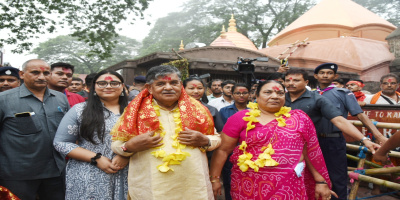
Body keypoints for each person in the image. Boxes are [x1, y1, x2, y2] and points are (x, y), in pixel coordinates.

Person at [210, 80, 335, 200]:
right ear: (256, 96)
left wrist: (321, 181)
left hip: (289, 184)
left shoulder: (299, 119)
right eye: (268, 92)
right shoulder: (240, 118)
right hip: (249, 184)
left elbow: (310, 153)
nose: (275, 96)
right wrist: (215, 179)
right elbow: (223, 151)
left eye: (280, 93)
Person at [110, 65, 221, 200]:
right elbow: (116, 145)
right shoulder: (134, 112)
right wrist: (129, 147)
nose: (168, 87)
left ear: (180, 85)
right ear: (149, 88)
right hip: (151, 189)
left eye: (173, 83)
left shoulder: (198, 110)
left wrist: (205, 141)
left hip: (193, 187)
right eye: (161, 84)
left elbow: (216, 139)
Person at [284, 69, 383, 199]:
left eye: (296, 80)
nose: (291, 83)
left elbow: (339, 120)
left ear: (306, 82)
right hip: (287, 149)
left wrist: (365, 139)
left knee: (334, 179)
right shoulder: (279, 98)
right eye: (287, 80)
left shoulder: (317, 99)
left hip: (317, 145)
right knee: (295, 180)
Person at [54, 70, 129, 199]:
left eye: (114, 83)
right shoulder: (79, 110)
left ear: (122, 87)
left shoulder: (135, 110)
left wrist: (126, 155)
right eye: (102, 83)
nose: (108, 86)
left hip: (128, 171)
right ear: (93, 87)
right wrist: (96, 159)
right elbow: (61, 142)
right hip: (88, 172)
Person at [0, 59, 69, 200]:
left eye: (46, 73)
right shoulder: (4, 100)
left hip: (56, 172)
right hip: (18, 174)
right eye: (35, 72)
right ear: (22, 74)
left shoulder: (60, 98)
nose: (42, 77)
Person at [313, 63, 384, 199]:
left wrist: (378, 135)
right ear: (316, 76)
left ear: (335, 76)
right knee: (314, 175)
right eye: (322, 73)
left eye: (329, 73)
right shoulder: (310, 94)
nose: (325, 75)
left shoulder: (343, 93)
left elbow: (360, 114)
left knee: (337, 176)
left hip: (333, 140)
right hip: (313, 141)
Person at [218, 83, 249, 200]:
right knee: (229, 183)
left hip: (250, 154)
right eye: (237, 93)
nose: (241, 95)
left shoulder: (256, 110)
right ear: (232, 94)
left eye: (244, 93)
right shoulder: (223, 111)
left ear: (249, 94)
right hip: (230, 153)